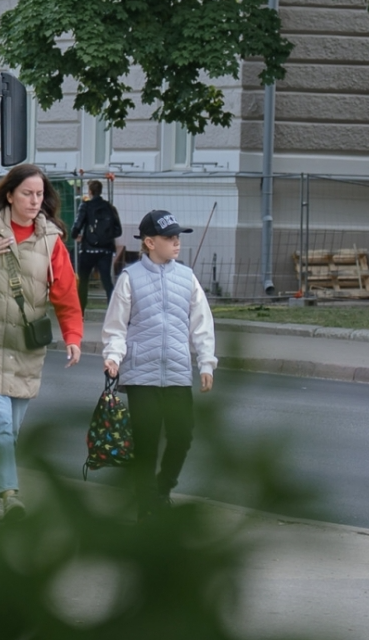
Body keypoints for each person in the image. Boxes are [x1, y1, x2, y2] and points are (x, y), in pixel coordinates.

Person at [0, 164, 84, 521]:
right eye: (27, 193)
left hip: (25, 346)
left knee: (10, 432)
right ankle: (10, 495)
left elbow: (65, 292)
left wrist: (73, 337)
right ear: (9, 195)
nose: (35, 200)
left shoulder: (51, 239)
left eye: (40, 194)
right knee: (1, 428)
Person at [100, 209, 217, 519]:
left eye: (178, 237)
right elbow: (116, 326)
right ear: (149, 242)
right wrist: (113, 357)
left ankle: (163, 488)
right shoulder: (130, 279)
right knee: (147, 440)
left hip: (178, 372)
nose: (176, 243)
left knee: (183, 435)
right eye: (169, 238)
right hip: (141, 374)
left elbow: (201, 324)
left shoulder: (187, 277)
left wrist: (206, 363)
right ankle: (146, 503)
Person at [73, 179, 123, 313]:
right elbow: (118, 231)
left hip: (87, 250)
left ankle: (80, 313)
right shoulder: (109, 207)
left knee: (83, 282)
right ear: (100, 191)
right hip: (105, 250)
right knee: (107, 281)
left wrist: (75, 235)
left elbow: (77, 225)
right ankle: (113, 312)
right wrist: (105, 237)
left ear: (90, 192)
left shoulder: (86, 206)